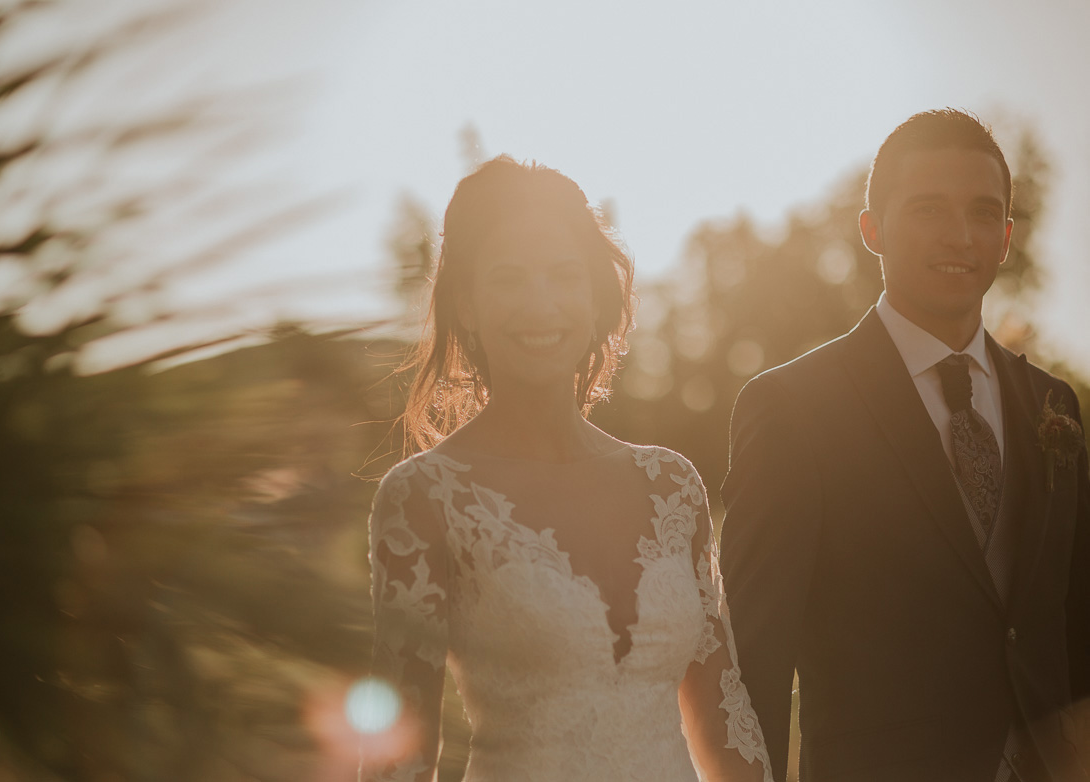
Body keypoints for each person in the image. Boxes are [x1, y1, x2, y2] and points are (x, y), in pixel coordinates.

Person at [360, 156, 773, 782]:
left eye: (563, 276)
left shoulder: (672, 486)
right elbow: (400, 757)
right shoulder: (425, 497)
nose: (541, 304)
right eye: (509, 279)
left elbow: (724, 716)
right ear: (466, 304)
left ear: (594, 299)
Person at [720, 108, 1090, 782]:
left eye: (983, 214)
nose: (960, 235)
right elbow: (754, 657)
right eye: (927, 209)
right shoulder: (791, 408)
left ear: (1006, 237)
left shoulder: (1050, 405)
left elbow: (1072, 618)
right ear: (871, 230)